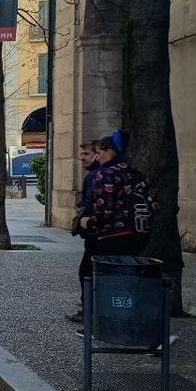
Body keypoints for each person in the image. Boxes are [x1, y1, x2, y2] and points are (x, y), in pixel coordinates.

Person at [80, 130, 153, 258]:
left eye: (99, 152)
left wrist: (88, 223)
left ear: (110, 152)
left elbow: (104, 209)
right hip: (139, 235)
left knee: (102, 274)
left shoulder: (105, 174)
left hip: (113, 236)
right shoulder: (136, 174)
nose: (97, 157)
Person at [66, 140, 100, 324]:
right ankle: (90, 309)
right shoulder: (94, 174)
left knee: (87, 272)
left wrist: (85, 215)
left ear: (97, 153)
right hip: (96, 235)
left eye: (86, 154)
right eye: (81, 155)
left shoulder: (96, 175)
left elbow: (92, 202)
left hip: (97, 235)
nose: (82, 158)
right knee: (87, 272)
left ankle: (89, 312)